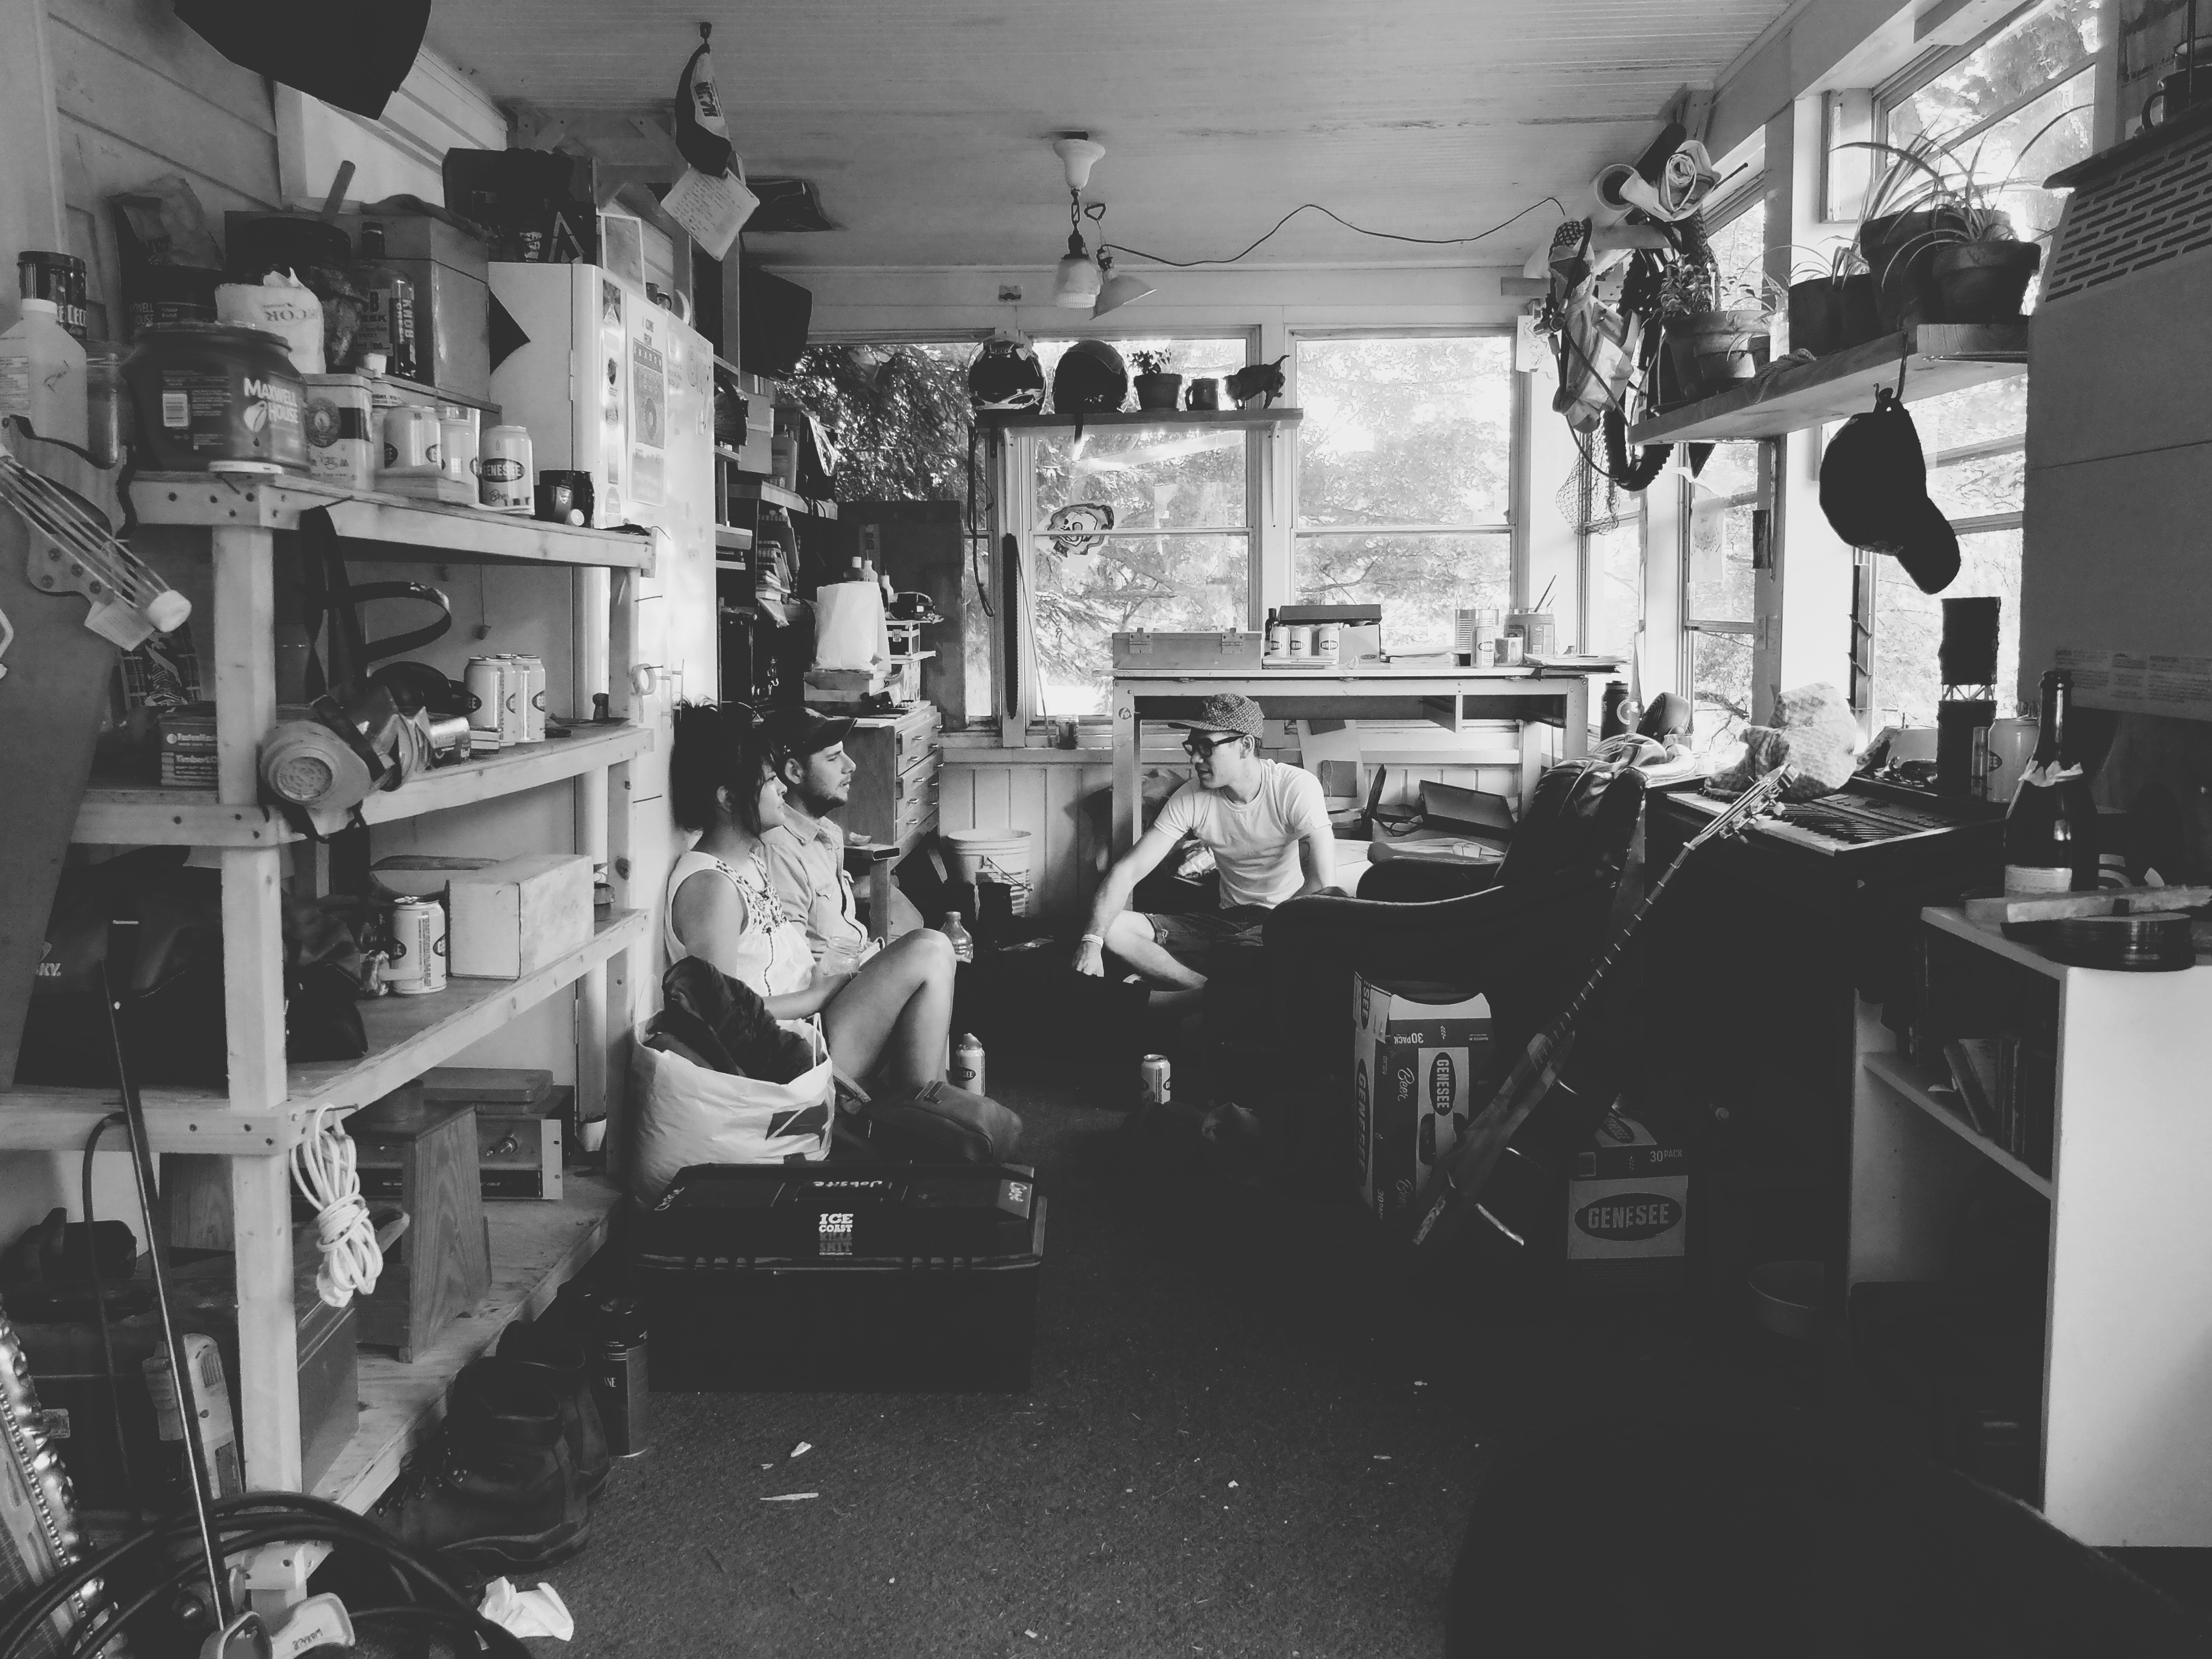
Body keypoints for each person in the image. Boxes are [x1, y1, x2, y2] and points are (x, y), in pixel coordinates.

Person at [664, 703, 957, 1099]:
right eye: (770, 781)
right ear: (729, 798)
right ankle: (925, 1114)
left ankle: (930, 1109)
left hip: (815, 1019)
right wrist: (816, 996)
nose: (783, 790)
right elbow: (720, 1017)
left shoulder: (747, 861)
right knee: (929, 950)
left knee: (933, 948)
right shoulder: (710, 887)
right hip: (787, 1052)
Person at [1073, 692, 1333, 1003]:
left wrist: (1271, 933)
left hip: (1282, 919)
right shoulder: (1191, 797)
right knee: (1110, 928)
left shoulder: (1294, 787)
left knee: (1319, 947)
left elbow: (1321, 884)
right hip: (1223, 922)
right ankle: (1206, 992)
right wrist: (1091, 942)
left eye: (1207, 747)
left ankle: (1218, 991)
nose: (1195, 759)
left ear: (1245, 746)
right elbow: (1128, 871)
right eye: (1192, 747)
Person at [757, 707, 921, 967]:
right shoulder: (779, 849)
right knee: (931, 949)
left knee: (930, 942)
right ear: (795, 772)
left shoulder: (827, 831)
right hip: (837, 981)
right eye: (833, 758)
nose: (851, 765)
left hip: (860, 958)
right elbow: (795, 965)